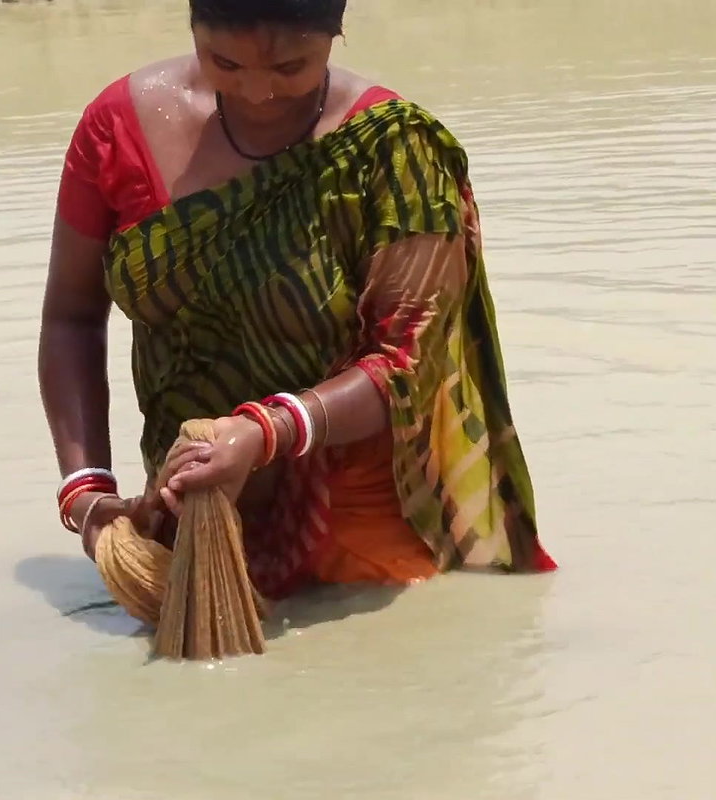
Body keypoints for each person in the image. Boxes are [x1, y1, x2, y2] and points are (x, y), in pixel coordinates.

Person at [37, 0, 556, 601]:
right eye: (223, 61)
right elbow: (71, 320)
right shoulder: (116, 127)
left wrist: (265, 432)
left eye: (290, 66)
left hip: (355, 517)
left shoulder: (394, 150)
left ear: (335, 34)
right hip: (191, 502)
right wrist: (88, 491)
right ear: (192, 27)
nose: (257, 91)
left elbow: (407, 364)